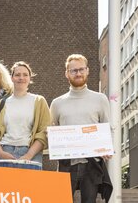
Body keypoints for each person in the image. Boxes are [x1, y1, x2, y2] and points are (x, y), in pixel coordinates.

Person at [50, 54, 113, 203]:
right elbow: (52, 131)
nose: (78, 73)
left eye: (81, 69)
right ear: (67, 73)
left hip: (91, 164)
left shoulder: (100, 99)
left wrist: (107, 147)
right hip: (66, 164)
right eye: (74, 70)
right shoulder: (57, 103)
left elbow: (107, 127)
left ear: (87, 71)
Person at [0, 61, 50, 164]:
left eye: (25, 75)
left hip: (30, 153)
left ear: (30, 78)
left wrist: (28, 155)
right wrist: (1, 154)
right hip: (4, 151)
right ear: (12, 78)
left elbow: (43, 133)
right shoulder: (0, 104)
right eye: (17, 75)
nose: (21, 78)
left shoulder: (39, 101)